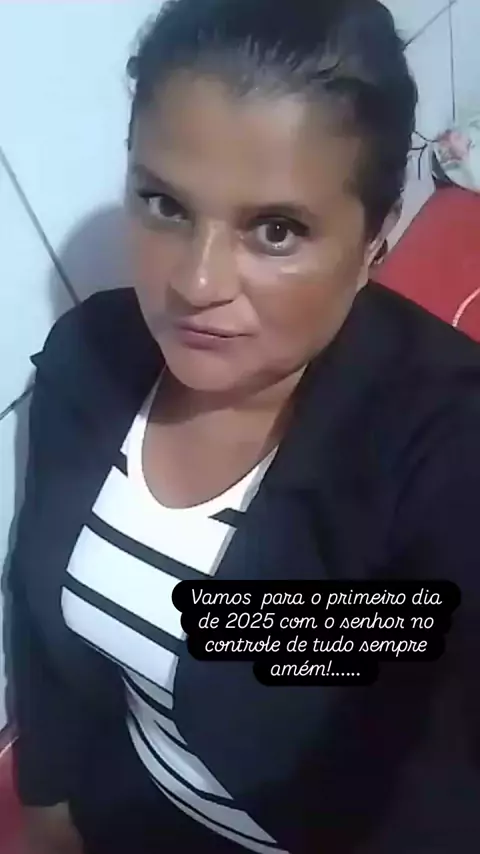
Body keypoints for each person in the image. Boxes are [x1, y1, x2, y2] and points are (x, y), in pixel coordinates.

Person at [9, 1, 480, 852]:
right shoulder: (89, 362)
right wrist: (47, 810)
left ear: (375, 240)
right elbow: (41, 631)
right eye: (164, 204)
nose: (195, 283)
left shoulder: (444, 448)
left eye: (276, 230)